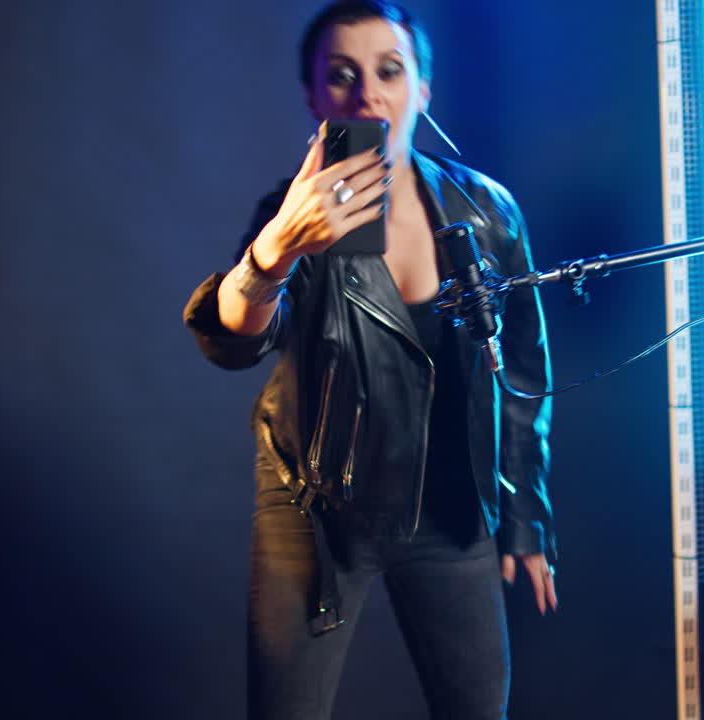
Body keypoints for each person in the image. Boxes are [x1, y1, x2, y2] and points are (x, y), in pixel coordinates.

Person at [183, 2, 557, 718]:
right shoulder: (292, 217)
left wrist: (524, 518)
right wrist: (278, 249)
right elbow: (235, 340)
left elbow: (524, 377)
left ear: (422, 89)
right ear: (315, 99)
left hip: (448, 502)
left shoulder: (487, 212)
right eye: (342, 76)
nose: (368, 95)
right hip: (317, 508)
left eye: (390, 71)